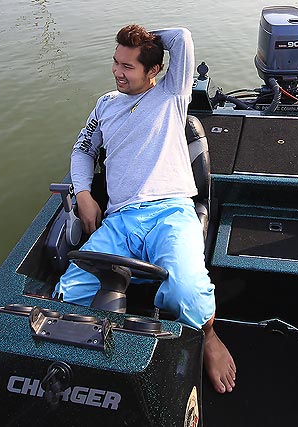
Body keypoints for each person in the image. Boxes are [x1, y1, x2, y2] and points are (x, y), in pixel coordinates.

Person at [55, 24, 237, 394]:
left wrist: (147, 37)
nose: (118, 72)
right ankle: (96, 362)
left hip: (170, 212)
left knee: (187, 292)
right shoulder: (104, 105)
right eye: (115, 62)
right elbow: (82, 151)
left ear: (153, 71)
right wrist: (85, 193)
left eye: (129, 66)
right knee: (68, 292)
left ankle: (209, 336)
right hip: (120, 219)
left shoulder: (171, 94)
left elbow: (182, 37)